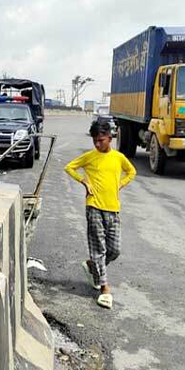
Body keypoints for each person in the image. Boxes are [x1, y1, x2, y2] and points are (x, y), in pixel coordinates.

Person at [64, 120, 136, 309]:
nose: (97, 144)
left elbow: (131, 171)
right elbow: (69, 167)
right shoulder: (89, 157)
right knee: (99, 249)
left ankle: (91, 265)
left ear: (110, 139)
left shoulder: (119, 158)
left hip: (113, 209)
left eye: (101, 140)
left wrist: (120, 184)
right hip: (94, 206)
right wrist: (84, 182)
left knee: (115, 250)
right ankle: (104, 288)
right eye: (95, 141)